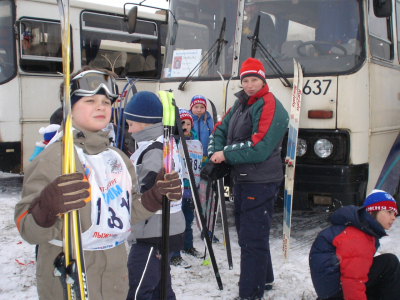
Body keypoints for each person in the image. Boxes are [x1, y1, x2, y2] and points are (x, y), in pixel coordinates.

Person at [14, 67, 182, 300]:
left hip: (114, 278)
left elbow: (125, 213)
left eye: (106, 101)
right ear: (68, 107)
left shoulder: (118, 159)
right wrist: (45, 209)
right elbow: (27, 229)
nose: (101, 106)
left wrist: (153, 198)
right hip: (69, 279)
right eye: (90, 100)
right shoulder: (53, 158)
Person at [208, 57, 289, 300]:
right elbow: (219, 130)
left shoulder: (270, 104)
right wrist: (215, 151)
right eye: (245, 80)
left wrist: (225, 154)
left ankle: (250, 293)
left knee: (251, 237)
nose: (249, 84)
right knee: (250, 232)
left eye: (254, 79)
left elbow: (260, 146)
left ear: (263, 80)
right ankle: (264, 279)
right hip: (243, 177)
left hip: (260, 180)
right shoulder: (239, 105)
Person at [124, 91, 185, 300]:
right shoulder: (161, 143)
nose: (129, 130)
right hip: (163, 228)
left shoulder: (154, 149)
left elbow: (150, 191)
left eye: (132, 124)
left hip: (153, 231)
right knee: (161, 288)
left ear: (147, 123)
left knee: (137, 289)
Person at [309, 189, 400, 300]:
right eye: (389, 212)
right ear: (372, 211)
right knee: (390, 264)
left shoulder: (359, 229)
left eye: (394, 213)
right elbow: (353, 280)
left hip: (334, 289)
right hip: (337, 293)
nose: (393, 217)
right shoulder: (357, 236)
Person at [171, 109, 204, 269]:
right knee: (176, 222)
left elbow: (199, 160)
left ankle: (187, 245)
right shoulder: (174, 141)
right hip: (178, 188)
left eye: (188, 123)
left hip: (191, 188)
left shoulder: (195, 141)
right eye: (182, 123)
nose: (185, 126)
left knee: (188, 220)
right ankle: (174, 254)